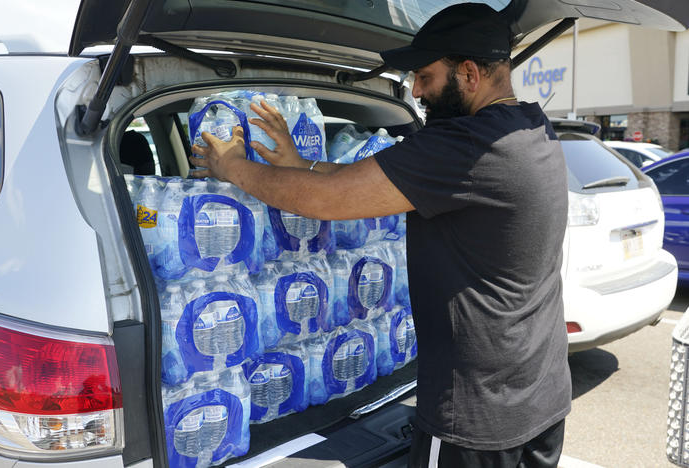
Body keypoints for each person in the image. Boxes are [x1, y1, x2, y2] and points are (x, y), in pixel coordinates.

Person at [189, 4, 571, 467]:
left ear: (469, 74)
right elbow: (368, 182)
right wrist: (298, 165)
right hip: (540, 394)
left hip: (477, 418)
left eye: (425, 76)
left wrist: (233, 166)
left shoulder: (465, 146)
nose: (415, 89)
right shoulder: (528, 128)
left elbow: (328, 200)